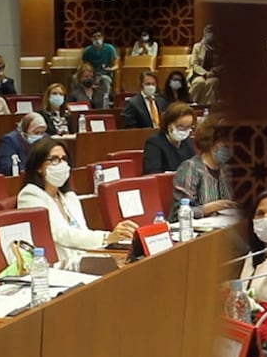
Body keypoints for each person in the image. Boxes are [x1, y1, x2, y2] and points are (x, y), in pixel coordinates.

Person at [16, 138, 138, 269]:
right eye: (54, 159)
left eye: (64, 159)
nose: (61, 164)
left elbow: (83, 232)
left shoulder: (69, 197)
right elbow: (61, 234)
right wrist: (107, 237)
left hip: (83, 258)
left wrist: (114, 241)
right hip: (59, 266)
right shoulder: (30, 195)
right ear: (39, 167)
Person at [171, 117, 236, 221]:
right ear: (211, 143)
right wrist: (209, 208)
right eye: (226, 145)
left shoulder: (226, 169)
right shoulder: (190, 168)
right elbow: (178, 213)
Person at [143, 102, 196, 174]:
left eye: (188, 127)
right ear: (168, 124)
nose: (184, 131)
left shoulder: (187, 141)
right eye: (180, 127)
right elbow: (152, 173)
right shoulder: (154, 143)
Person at [188, 25, 219, 105]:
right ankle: (190, 102)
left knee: (212, 82)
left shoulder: (219, 48)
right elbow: (194, 64)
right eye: (208, 32)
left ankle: (204, 105)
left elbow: (223, 64)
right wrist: (205, 73)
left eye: (212, 32)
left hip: (213, 75)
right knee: (199, 82)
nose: (210, 35)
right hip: (199, 74)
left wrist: (214, 71)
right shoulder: (197, 46)